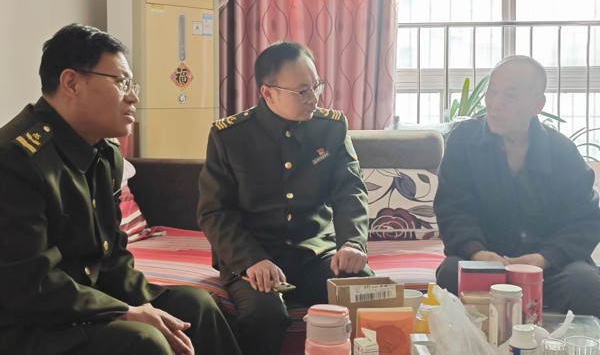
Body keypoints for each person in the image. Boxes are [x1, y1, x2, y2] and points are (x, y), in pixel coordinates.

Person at [0, 23, 241, 355]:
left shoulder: (105, 153)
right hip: (32, 324)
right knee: (144, 339)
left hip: (85, 305)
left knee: (194, 305)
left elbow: (111, 259)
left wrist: (142, 304)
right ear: (71, 82)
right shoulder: (15, 159)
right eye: (121, 82)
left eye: (132, 84)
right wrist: (123, 311)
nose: (133, 96)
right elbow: (30, 283)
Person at [198, 40, 373, 354]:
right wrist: (251, 259)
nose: (314, 98)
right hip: (255, 258)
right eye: (302, 91)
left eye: (316, 86)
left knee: (361, 290)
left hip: (316, 255)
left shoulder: (330, 128)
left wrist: (352, 242)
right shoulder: (231, 136)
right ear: (268, 93)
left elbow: (350, 189)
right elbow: (214, 211)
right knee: (265, 314)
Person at [434, 55, 600, 317]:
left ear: (537, 104)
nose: (495, 103)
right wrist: (477, 252)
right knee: (449, 274)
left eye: (510, 96)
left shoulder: (561, 150)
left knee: (587, 284)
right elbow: (452, 207)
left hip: (548, 268)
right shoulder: (464, 141)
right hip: (485, 262)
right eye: (492, 91)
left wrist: (543, 258)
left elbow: (585, 220)